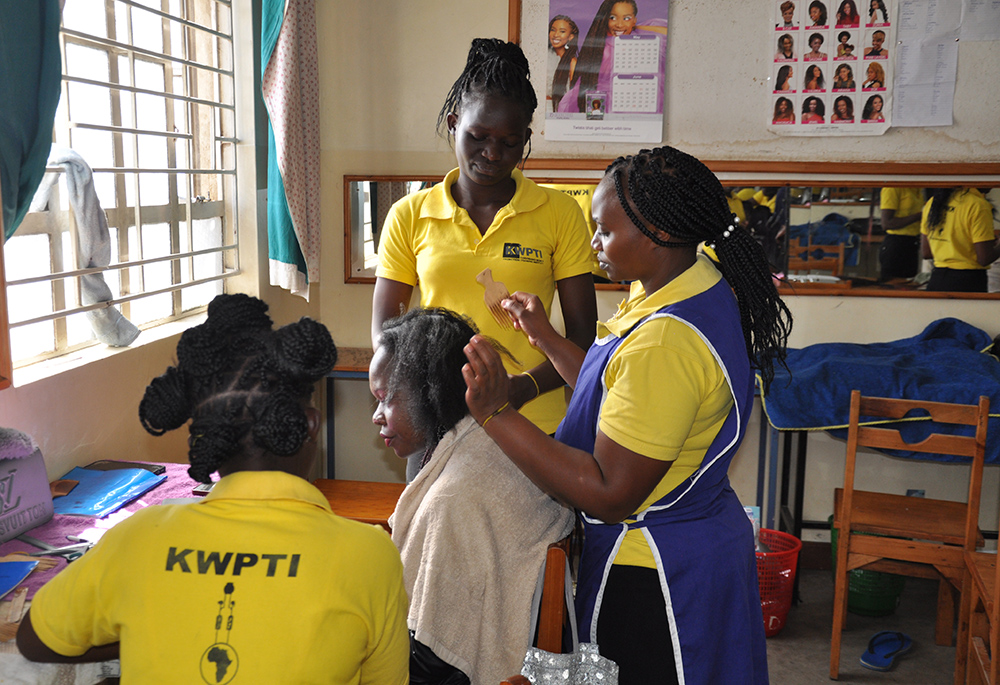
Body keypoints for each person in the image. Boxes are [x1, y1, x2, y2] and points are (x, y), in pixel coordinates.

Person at [462, 146, 791, 685]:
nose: (594, 245)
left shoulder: (667, 342)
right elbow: (612, 387)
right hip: (702, 539)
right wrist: (544, 337)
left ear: (658, 232)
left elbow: (610, 491)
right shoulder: (683, 284)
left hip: (655, 574)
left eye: (604, 232)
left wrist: (498, 413)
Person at [17, 294, 410, 683]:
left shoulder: (138, 538)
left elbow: (35, 640)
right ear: (310, 425)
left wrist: (138, 631)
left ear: (209, 432)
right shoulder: (370, 557)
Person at [373, 38, 598, 479]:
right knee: (434, 543)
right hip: (437, 423)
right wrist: (398, 396)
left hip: (534, 420)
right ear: (455, 124)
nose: (492, 154)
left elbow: (583, 339)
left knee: (535, 547)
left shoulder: (560, 213)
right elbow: (388, 332)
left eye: (509, 143)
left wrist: (520, 388)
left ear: (526, 140)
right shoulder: (410, 214)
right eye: (477, 137)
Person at [372, 308, 574, 685]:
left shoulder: (453, 499)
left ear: (428, 393)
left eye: (385, 399)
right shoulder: (501, 444)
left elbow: (433, 657)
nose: (376, 416)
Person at [558, 0, 669, 113]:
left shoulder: (639, 37)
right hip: (607, 105)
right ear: (605, 19)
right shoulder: (602, 48)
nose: (619, 24)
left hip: (636, 101)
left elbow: (668, 32)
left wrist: (635, 27)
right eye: (612, 18)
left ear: (634, 20)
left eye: (626, 18)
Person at [921, 188, 1000, 292]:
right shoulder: (978, 205)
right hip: (967, 282)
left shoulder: (933, 201)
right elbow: (984, 259)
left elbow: (927, 253)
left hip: (937, 279)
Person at [879, 187, 925, 281]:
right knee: (892, 285)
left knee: (909, 284)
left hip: (912, 242)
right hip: (896, 243)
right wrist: (919, 216)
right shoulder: (892, 188)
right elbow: (887, 223)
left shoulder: (918, 188)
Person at [548, 14, 579, 111]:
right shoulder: (543, 56)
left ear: (570, 37)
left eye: (562, 31)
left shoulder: (572, 62)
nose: (556, 35)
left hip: (558, 110)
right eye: (553, 30)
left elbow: (574, 95)